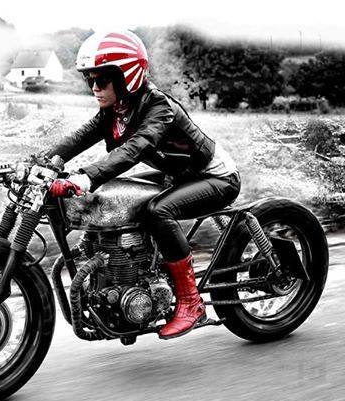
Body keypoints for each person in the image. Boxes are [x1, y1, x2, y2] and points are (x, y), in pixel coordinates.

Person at [45, 30, 240, 339]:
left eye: (102, 80)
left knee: (157, 211)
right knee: (112, 196)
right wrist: (44, 161)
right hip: (178, 175)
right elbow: (80, 137)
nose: (95, 88)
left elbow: (135, 149)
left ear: (126, 76)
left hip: (214, 177)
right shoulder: (116, 110)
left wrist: (85, 176)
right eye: (90, 80)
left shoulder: (158, 107)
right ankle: (136, 271)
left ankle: (192, 303)